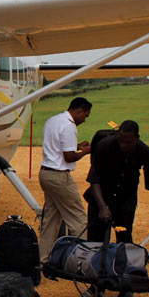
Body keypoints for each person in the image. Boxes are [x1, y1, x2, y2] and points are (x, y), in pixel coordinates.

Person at [84, 119, 149, 245]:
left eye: (127, 142)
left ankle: (122, 257)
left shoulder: (146, 152)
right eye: (120, 140)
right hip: (101, 198)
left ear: (136, 138)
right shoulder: (104, 146)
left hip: (125, 200)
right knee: (96, 241)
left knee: (125, 238)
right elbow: (94, 180)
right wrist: (102, 207)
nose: (123, 145)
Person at [38, 97, 92, 262]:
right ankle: (81, 260)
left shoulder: (53, 120)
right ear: (79, 111)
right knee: (78, 218)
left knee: (51, 220)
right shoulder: (69, 125)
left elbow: (56, 146)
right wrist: (86, 151)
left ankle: (42, 259)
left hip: (45, 173)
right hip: (59, 176)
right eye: (85, 116)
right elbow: (69, 157)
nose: (84, 120)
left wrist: (77, 146)